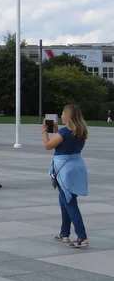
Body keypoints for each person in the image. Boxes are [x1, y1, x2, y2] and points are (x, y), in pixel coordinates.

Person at [41, 104, 89, 249]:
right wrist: (57, 132)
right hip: (76, 165)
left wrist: (44, 132)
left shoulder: (65, 132)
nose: (61, 116)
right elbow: (66, 143)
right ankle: (64, 233)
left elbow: (48, 146)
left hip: (64, 169)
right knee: (64, 200)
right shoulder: (81, 131)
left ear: (68, 115)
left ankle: (82, 236)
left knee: (69, 202)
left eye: (63, 113)